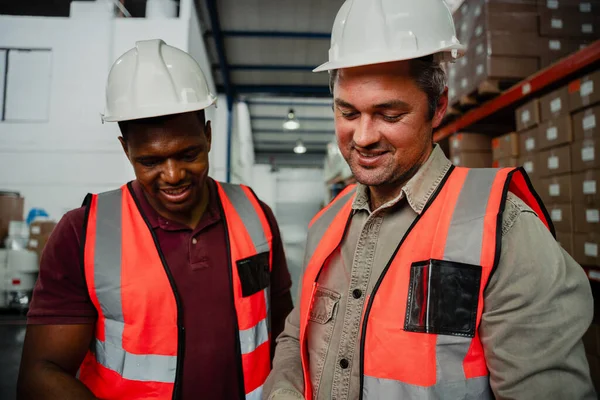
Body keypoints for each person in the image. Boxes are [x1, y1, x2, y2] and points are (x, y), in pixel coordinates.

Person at [263, 1, 596, 399]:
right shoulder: (326, 225)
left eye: (389, 114)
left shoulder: (503, 229)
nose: (364, 136)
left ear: (437, 107)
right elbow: (293, 339)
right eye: (348, 112)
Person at [17, 39, 293, 400]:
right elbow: (41, 373)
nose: (174, 174)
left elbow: (285, 333)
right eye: (150, 161)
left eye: (188, 154)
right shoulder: (84, 233)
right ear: (125, 149)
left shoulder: (254, 214)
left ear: (208, 136)